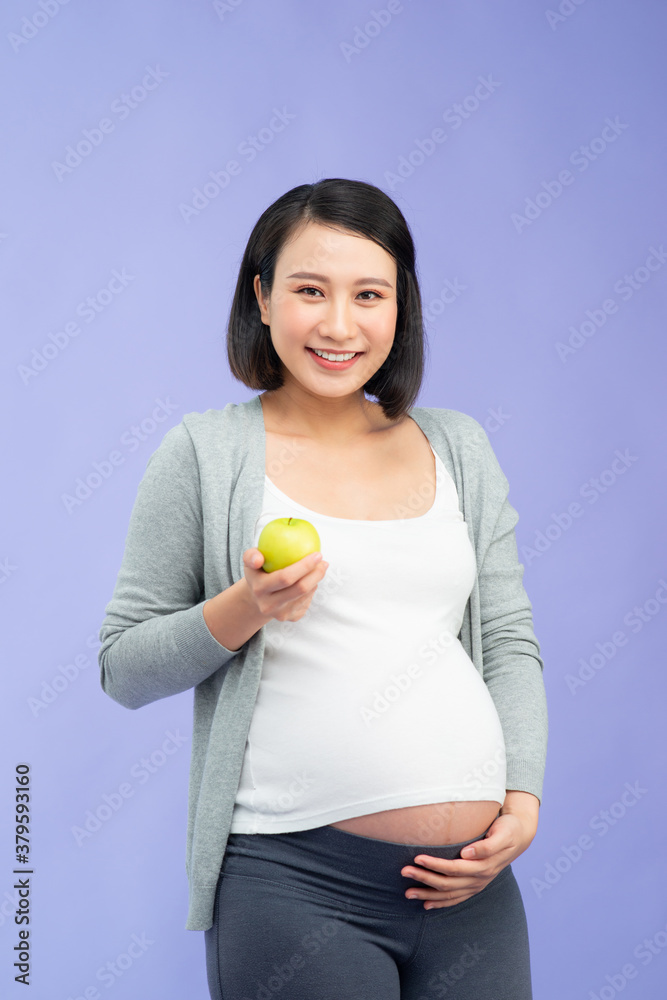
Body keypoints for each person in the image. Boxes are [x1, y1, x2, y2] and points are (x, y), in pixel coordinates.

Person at [98, 177, 548, 999]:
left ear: (399, 308)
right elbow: (122, 668)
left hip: (472, 891)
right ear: (262, 297)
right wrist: (245, 608)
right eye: (310, 290)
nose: (339, 324)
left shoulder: (459, 447)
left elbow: (510, 642)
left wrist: (521, 799)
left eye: (368, 294)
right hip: (295, 887)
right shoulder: (204, 453)